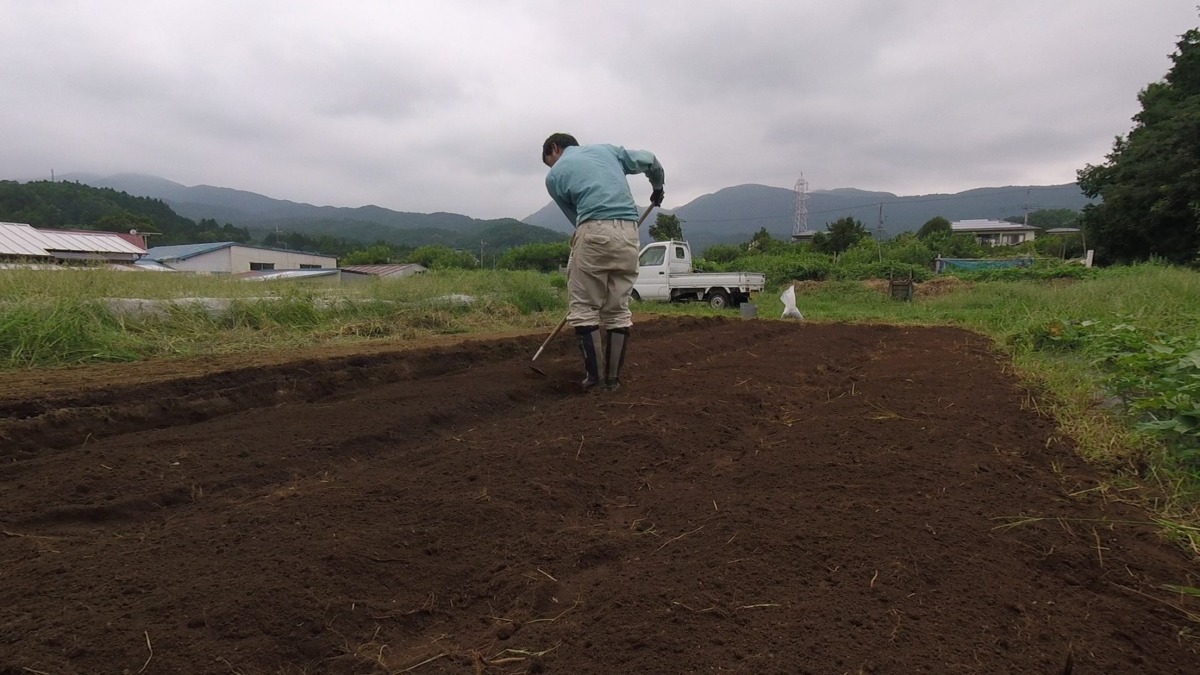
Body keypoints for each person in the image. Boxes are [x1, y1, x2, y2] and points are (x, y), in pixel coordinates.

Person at [542, 133, 664, 392]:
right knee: (618, 309)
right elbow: (651, 160)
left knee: (584, 307)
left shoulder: (553, 177)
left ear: (555, 148)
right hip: (630, 233)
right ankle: (612, 381)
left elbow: (576, 219)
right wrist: (658, 188)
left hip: (593, 228)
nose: (552, 167)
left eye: (550, 161)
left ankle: (594, 380)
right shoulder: (608, 151)